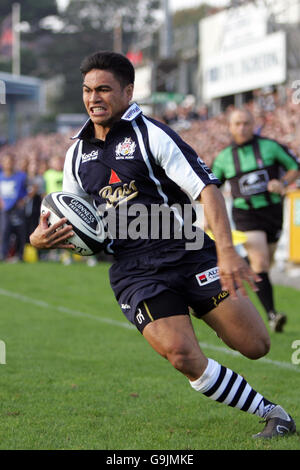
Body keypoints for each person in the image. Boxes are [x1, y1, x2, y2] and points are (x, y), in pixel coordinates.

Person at [30, 51, 296, 439]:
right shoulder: (76, 154)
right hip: (135, 270)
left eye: (104, 89)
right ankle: (274, 414)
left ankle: (201, 305)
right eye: (87, 90)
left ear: (128, 91)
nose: (93, 98)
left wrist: (225, 252)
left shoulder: (153, 135)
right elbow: (76, 223)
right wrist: (43, 240)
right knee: (182, 354)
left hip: (190, 251)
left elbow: (207, 190)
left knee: (255, 345)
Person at [212, 109, 299, 333]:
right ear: (230, 127)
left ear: (254, 124)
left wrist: (282, 182)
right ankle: (272, 314)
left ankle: (242, 262)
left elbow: (294, 167)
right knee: (260, 262)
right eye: (237, 124)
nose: (242, 128)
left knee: (264, 264)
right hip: (246, 215)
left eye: (246, 123)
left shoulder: (271, 146)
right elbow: (212, 189)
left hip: (272, 212)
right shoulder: (223, 158)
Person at [0, 152, 28, 262]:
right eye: (6, 162)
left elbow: (27, 191)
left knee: (20, 232)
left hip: (18, 209)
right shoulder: (1, 177)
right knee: (4, 231)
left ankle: (20, 255)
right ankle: (3, 254)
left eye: (10, 162)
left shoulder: (21, 176)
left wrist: (24, 201)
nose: (8, 164)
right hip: (5, 209)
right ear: (3, 163)